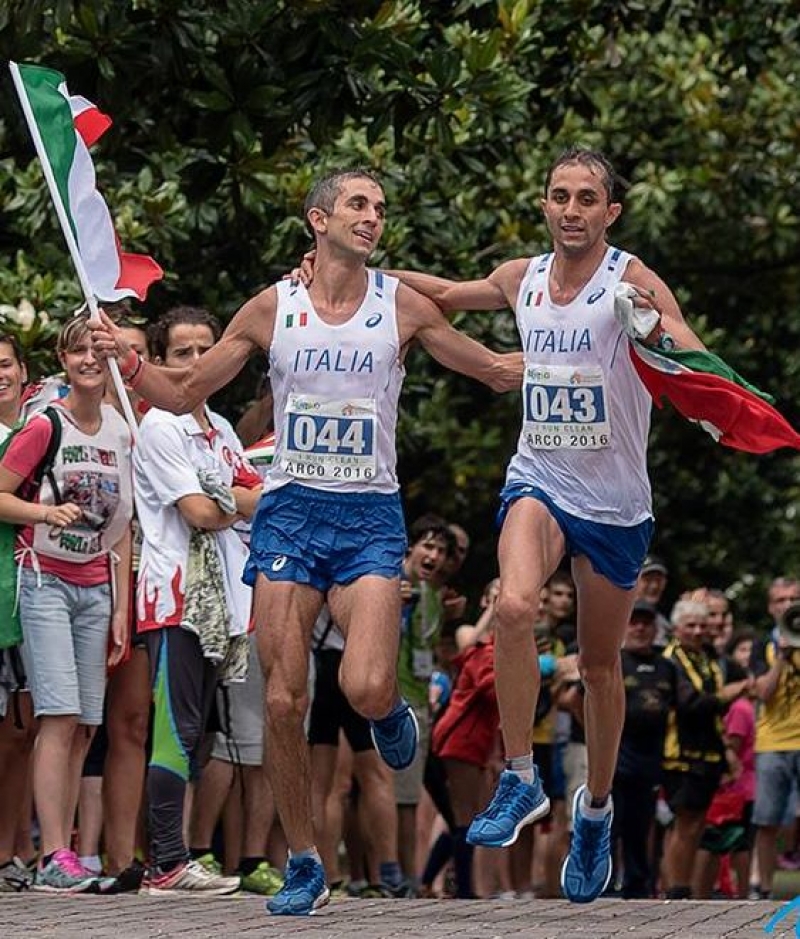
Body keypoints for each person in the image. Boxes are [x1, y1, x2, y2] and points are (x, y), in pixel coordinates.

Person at [90, 167, 522, 915]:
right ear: (317, 220)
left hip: (368, 519)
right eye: (358, 204)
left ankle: (388, 711)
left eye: (381, 208)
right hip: (290, 513)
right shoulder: (273, 305)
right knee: (285, 698)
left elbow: (488, 370)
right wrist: (127, 359)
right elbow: (184, 394)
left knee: (361, 685)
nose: (374, 216)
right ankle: (306, 861)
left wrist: (572, 354)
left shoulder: (402, 304)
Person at [372, 146, 709, 903]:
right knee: (516, 605)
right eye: (560, 195)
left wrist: (659, 335)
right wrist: (360, 275)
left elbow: (688, 347)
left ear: (610, 212)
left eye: (587, 197)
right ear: (546, 203)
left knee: (598, 669)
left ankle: (594, 811)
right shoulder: (521, 278)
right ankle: (521, 775)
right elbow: (448, 295)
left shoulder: (632, 277)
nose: (571, 209)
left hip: (616, 504)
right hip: (542, 477)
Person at [0, 313, 133, 892]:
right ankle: (55, 852)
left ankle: (68, 850)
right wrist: (43, 513)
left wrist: (123, 606)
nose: (88, 361)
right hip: (44, 582)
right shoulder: (43, 426)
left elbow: (124, 525)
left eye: (97, 351)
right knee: (56, 715)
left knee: (85, 724)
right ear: (62, 360)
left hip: (97, 587)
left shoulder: (122, 432)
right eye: (77, 352)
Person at [133, 306, 262, 897]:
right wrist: (228, 497)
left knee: (199, 734)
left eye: (204, 351)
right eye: (181, 353)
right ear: (158, 363)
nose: (195, 363)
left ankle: (174, 856)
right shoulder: (161, 425)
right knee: (176, 730)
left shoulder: (221, 428)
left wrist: (226, 497)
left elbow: (254, 497)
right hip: (177, 599)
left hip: (224, 604)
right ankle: (165, 862)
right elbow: (201, 512)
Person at [611, 599, 676, 899]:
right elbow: (574, 700)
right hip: (613, 759)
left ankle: (639, 886)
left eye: (645, 622)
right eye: (633, 621)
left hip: (650, 760)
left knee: (641, 827)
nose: (639, 628)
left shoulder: (667, 667)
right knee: (611, 825)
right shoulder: (612, 660)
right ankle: (605, 885)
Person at [750, 576, 800, 899]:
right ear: (771, 607)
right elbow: (763, 693)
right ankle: (765, 890)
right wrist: (782, 655)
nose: (787, 605)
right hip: (772, 743)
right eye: (780, 600)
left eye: (793, 599)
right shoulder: (762, 645)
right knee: (767, 820)